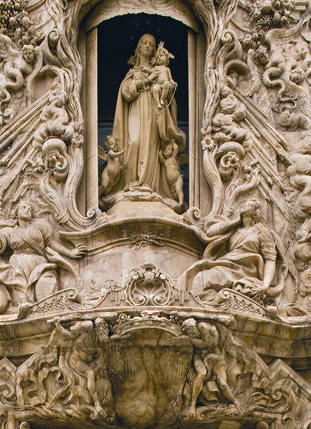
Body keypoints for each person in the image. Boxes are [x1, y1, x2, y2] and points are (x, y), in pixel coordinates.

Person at [105, 33, 185, 208]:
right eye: (144, 43)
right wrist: (143, 83)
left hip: (153, 111)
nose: (148, 45)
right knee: (133, 142)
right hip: (135, 109)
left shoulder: (159, 70)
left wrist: (166, 90)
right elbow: (126, 92)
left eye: (151, 43)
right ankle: (131, 184)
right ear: (138, 48)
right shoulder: (133, 73)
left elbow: (168, 93)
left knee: (150, 144)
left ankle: (148, 185)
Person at [183, 200, 278, 299]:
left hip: (245, 269)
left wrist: (265, 285)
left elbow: (270, 259)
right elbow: (210, 232)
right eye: (244, 204)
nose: (244, 206)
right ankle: (212, 303)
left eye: (249, 205)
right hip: (226, 264)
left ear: (255, 213)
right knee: (200, 278)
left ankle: (216, 303)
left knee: (204, 279)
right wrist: (235, 222)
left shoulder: (261, 231)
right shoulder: (234, 229)